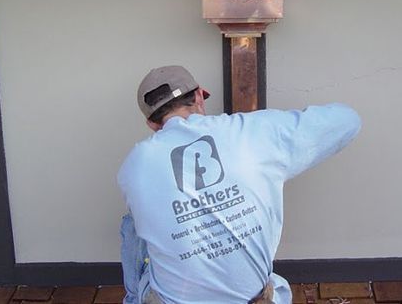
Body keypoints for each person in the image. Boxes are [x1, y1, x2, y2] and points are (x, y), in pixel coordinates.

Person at [118, 65, 361, 304]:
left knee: (134, 222)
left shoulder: (133, 165)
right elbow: (348, 120)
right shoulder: (256, 132)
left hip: (170, 300)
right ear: (200, 96)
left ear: (152, 124)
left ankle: (131, 299)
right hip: (253, 298)